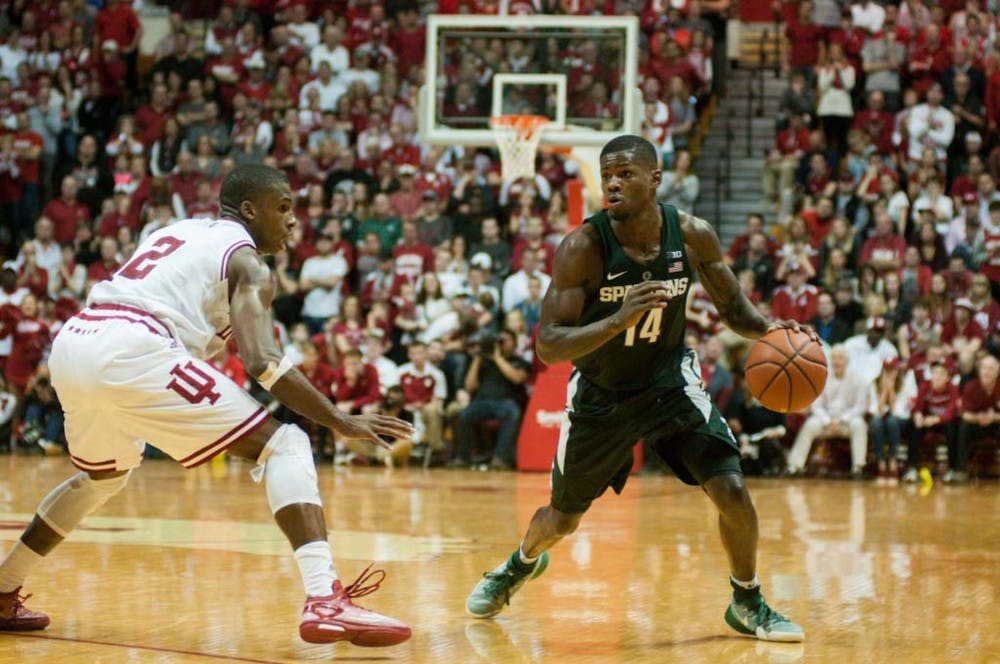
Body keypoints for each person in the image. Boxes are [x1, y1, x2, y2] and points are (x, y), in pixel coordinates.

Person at [0, 165, 414, 647]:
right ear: (249, 209)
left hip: (77, 340)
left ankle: (3, 587)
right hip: (135, 346)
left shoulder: (179, 230)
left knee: (102, 478)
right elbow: (264, 364)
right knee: (286, 444)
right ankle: (325, 597)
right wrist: (339, 419)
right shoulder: (249, 263)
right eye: (283, 209)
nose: (292, 221)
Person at [464, 135, 806, 642]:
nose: (613, 184)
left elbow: (735, 310)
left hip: (668, 382)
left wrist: (780, 334)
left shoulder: (691, 235)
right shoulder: (582, 247)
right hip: (601, 393)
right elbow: (549, 345)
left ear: (654, 178)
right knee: (562, 519)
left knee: (731, 489)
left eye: (625, 174)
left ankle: (747, 599)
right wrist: (620, 319)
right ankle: (519, 563)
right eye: (607, 176)